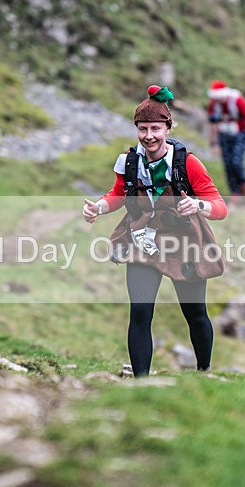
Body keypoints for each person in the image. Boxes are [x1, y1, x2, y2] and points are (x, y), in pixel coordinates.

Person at [83, 85, 228, 377]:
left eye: (155, 128)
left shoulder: (187, 163)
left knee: (195, 314)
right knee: (140, 312)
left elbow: (220, 206)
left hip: (183, 242)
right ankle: (141, 383)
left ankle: (203, 373)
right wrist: (98, 208)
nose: (149, 135)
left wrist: (198, 207)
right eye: (142, 128)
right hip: (142, 238)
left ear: (168, 127)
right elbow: (119, 194)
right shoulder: (129, 161)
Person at [207, 80, 245, 201]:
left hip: (239, 133)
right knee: (228, 164)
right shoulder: (214, 104)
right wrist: (213, 143)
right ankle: (235, 193)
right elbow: (212, 124)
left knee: (236, 162)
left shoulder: (236, 100)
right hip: (223, 135)